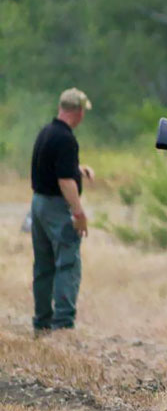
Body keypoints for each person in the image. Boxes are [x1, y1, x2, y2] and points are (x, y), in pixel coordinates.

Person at [30, 87, 94, 335]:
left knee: (44, 265)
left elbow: (54, 167)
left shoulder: (47, 132)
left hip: (38, 205)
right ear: (78, 112)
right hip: (57, 207)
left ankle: (42, 323)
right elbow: (64, 180)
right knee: (67, 262)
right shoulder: (67, 139)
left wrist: (79, 169)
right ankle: (63, 324)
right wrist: (79, 214)